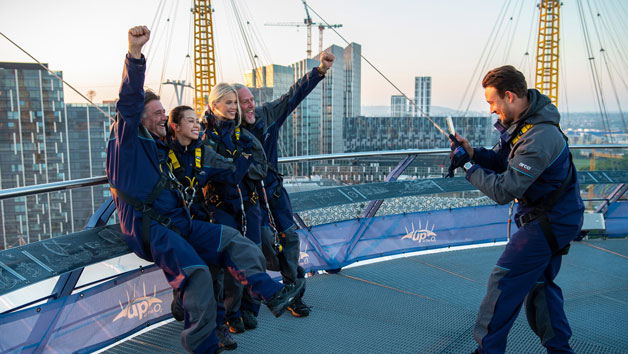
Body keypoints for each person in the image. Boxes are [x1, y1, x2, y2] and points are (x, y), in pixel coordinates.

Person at [106, 26, 304, 354]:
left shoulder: (160, 147)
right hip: (151, 228)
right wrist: (135, 55)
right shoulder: (127, 142)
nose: (163, 119)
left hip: (177, 223)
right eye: (156, 114)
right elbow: (128, 103)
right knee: (197, 275)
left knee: (237, 243)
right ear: (138, 119)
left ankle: (271, 292)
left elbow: (201, 162)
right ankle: (204, 346)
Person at [450, 65, 584, 354]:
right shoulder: (527, 124)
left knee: (504, 281)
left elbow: (504, 190)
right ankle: (560, 350)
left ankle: (487, 350)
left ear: (509, 96)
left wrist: (469, 167)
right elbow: (503, 161)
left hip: (549, 221)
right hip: (556, 217)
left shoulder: (539, 137)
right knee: (540, 287)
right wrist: (473, 153)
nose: (490, 110)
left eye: (492, 102)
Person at [236, 50, 335, 318]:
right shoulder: (229, 134)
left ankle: (294, 294)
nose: (250, 105)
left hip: (275, 193)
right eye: (244, 102)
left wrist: (319, 71)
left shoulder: (267, 115)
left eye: (251, 100)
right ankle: (257, 301)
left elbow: (293, 96)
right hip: (252, 201)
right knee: (266, 245)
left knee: (290, 239)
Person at [166, 105, 252, 350]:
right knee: (192, 275)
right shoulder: (161, 152)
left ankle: (218, 327)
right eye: (190, 121)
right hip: (174, 225)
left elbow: (231, 174)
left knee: (214, 273)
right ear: (175, 126)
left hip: (200, 221)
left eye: (198, 121)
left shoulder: (203, 152)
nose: (196, 125)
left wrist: (245, 156)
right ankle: (182, 302)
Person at [201, 83, 269, 334]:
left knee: (255, 256)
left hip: (248, 206)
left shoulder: (242, 135)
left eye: (234, 102)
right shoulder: (205, 137)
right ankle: (232, 312)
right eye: (227, 102)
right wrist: (239, 165)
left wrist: (234, 168)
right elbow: (212, 172)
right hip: (220, 207)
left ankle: (250, 308)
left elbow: (261, 167)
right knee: (229, 261)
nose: (233, 107)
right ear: (214, 105)